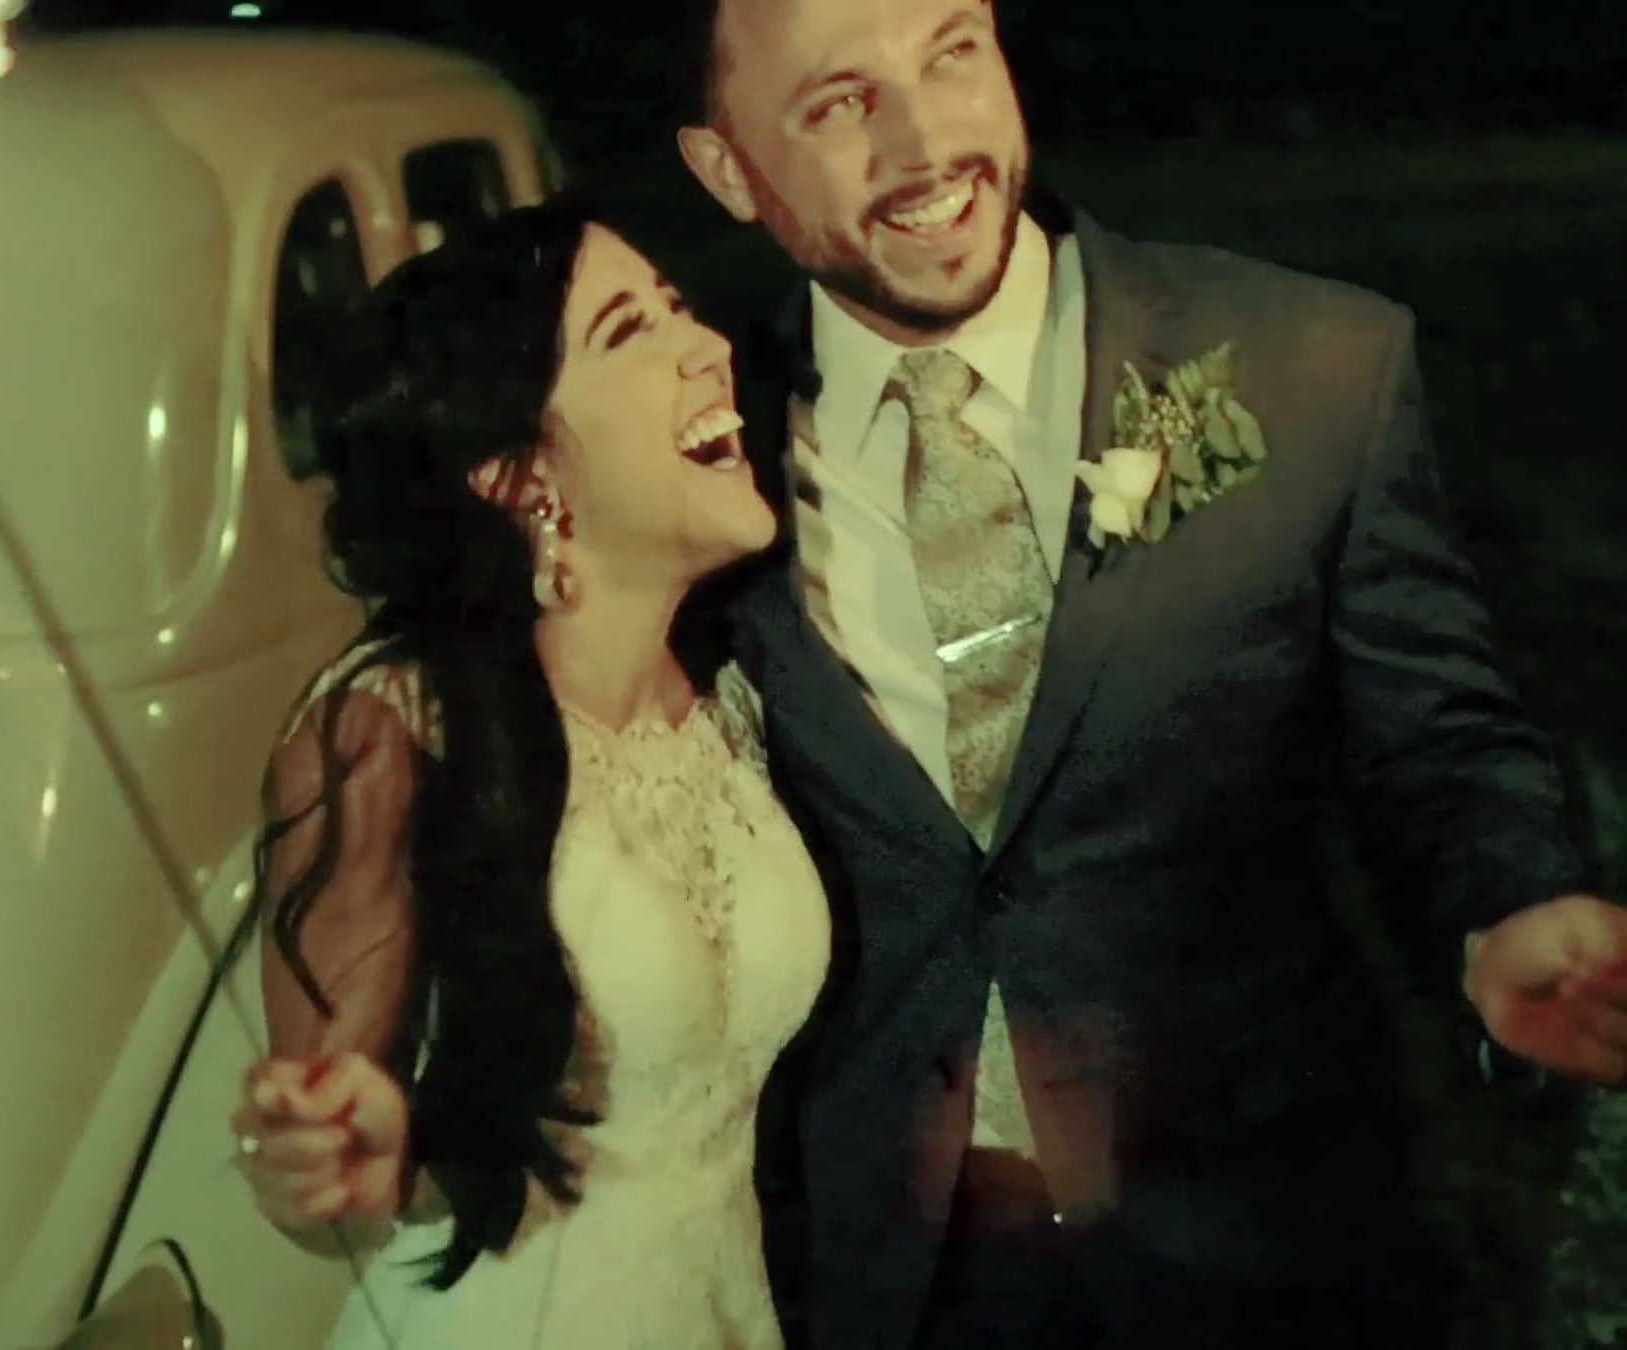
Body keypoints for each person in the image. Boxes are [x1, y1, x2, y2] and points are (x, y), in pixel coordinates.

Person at [664, 0, 1627, 1346]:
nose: (927, 142)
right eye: (839, 104)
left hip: (1269, 1247)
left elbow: (1437, 739)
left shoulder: (1308, 362)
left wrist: (1504, 910)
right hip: (896, 1277)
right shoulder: (695, 458)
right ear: (726, 170)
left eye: (952, 52)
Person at [222, 196, 829, 1348]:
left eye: (680, 308)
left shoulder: (734, 696)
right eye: (629, 329)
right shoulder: (395, 728)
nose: (706, 346)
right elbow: (332, 1140)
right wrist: (337, 1149)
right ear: (515, 470)